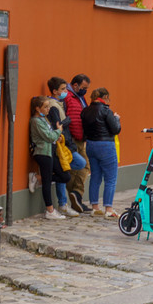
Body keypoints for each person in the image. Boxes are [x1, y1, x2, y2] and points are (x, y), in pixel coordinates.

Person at [45, 78, 86, 217]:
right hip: (62, 143)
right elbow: (58, 126)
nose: (65, 92)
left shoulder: (59, 103)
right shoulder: (53, 105)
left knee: (65, 169)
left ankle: (63, 203)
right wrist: (66, 123)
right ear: (55, 91)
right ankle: (50, 180)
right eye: (63, 89)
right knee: (79, 163)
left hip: (65, 142)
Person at [81, 87, 122, 218]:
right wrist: (117, 119)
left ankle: (95, 207)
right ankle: (108, 209)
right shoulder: (106, 110)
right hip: (105, 145)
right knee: (110, 179)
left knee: (95, 177)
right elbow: (116, 129)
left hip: (91, 145)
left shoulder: (85, 111)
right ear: (105, 97)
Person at [30, 96, 68, 220]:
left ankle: (37, 177)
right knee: (47, 183)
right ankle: (50, 210)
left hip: (51, 152)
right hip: (42, 153)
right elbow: (48, 136)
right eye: (45, 107)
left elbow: (51, 136)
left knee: (65, 176)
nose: (48, 109)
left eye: (48, 106)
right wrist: (59, 131)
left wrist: (56, 135)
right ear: (37, 108)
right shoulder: (35, 121)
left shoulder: (43, 119)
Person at [63, 74, 92, 213]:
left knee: (84, 166)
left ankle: (77, 196)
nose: (85, 90)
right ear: (75, 85)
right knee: (79, 166)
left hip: (80, 138)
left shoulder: (79, 97)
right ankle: (76, 195)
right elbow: (70, 118)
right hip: (73, 139)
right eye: (83, 87)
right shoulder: (69, 97)